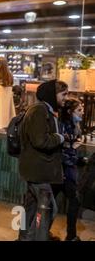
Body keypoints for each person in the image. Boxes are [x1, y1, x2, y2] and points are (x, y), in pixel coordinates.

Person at [18, 80, 69, 241]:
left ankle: (24, 237)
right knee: (48, 209)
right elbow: (40, 140)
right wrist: (59, 138)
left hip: (37, 169)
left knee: (32, 207)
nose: (66, 98)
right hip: (37, 171)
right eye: (64, 94)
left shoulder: (46, 110)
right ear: (52, 94)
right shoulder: (39, 111)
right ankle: (32, 238)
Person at [54, 98, 88, 241]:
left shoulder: (74, 125)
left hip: (66, 170)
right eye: (79, 110)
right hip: (63, 171)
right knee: (71, 202)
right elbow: (63, 152)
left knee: (53, 202)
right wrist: (76, 157)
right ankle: (71, 235)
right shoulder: (64, 127)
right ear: (70, 111)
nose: (82, 112)